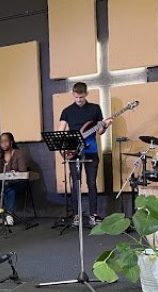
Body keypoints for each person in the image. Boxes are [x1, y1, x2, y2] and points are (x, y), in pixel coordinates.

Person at [58, 82, 111, 227]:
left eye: (81, 97)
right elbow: (61, 130)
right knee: (76, 184)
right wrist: (65, 146)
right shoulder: (67, 111)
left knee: (92, 183)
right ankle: (77, 215)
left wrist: (105, 126)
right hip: (73, 151)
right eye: (76, 97)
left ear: (86, 94)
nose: (79, 100)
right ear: (73, 95)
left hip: (91, 150)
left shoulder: (95, 108)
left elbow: (100, 131)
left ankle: (93, 215)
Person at [0, 132, 28, 226]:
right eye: (1, 142)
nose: (3, 144)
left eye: (6, 141)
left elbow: (23, 171)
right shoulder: (0, 156)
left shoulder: (18, 154)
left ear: (11, 142)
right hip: (4, 183)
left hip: (18, 183)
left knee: (9, 188)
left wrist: (14, 172)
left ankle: (9, 215)